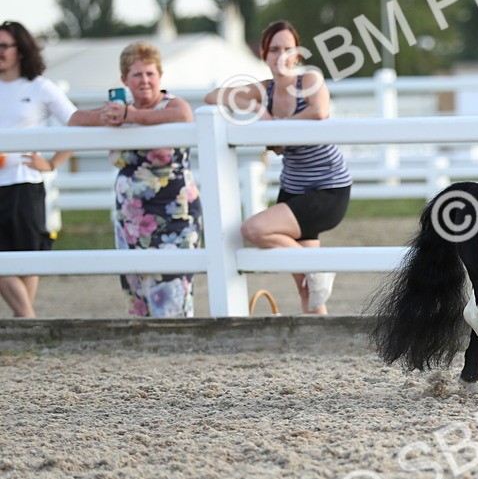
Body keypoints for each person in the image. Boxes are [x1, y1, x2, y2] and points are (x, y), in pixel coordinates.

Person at [204, 21, 351, 315]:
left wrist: (273, 127)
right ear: (264, 54)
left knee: (254, 229)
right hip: (293, 189)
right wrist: (256, 108)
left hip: (328, 190)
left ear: (297, 54)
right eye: (274, 49)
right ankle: (318, 338)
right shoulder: (265, 91)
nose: (281, 55)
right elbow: (212, 97)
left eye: (288, 49)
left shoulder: (309, 80)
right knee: (308, 290)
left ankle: (318, 269)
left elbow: (319, 112)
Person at [69, 41, 202, 317]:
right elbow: (75, 119)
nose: (145, 80)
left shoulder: (171, 104)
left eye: (150, 74)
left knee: (171, 290)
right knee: (137, 291)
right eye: (137, 74)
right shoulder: (120, 109)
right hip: (132, 216)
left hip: (174, 213)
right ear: (124, 80)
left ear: (160, 77)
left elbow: (184, 115)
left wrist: (132, 116)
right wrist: (108, 117)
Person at [0, 21, 77, 318]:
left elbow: (75, 124)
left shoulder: (40, 87)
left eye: (4, 46)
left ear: (20, 50)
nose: (0, 52)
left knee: (28, 257)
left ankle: (24, 325)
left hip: (25, 184)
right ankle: (29, 320)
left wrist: (52, 163)